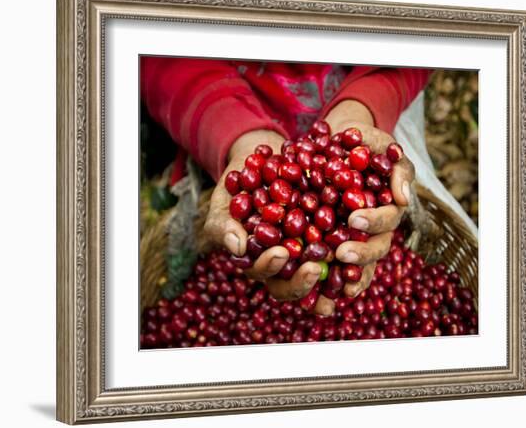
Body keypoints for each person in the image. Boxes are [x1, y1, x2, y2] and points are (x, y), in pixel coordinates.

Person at [141, 58, 432, 315]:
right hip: (217, 117)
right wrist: (236, 134)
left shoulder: (324, 179)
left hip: (366, 93)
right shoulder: (282, 191)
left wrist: (364, 106)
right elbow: (158, 56)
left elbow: (421, 35)